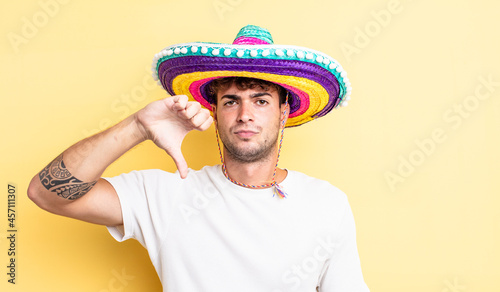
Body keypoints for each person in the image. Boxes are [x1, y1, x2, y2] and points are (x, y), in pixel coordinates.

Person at [28, 25, 369, 291]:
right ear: (215, 112)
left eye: (261, 101)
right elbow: (46, 193)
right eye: (231, 101)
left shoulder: (327, 203)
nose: (245, 114)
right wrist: (136, 127)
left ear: (284, 113)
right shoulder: (167, 193)